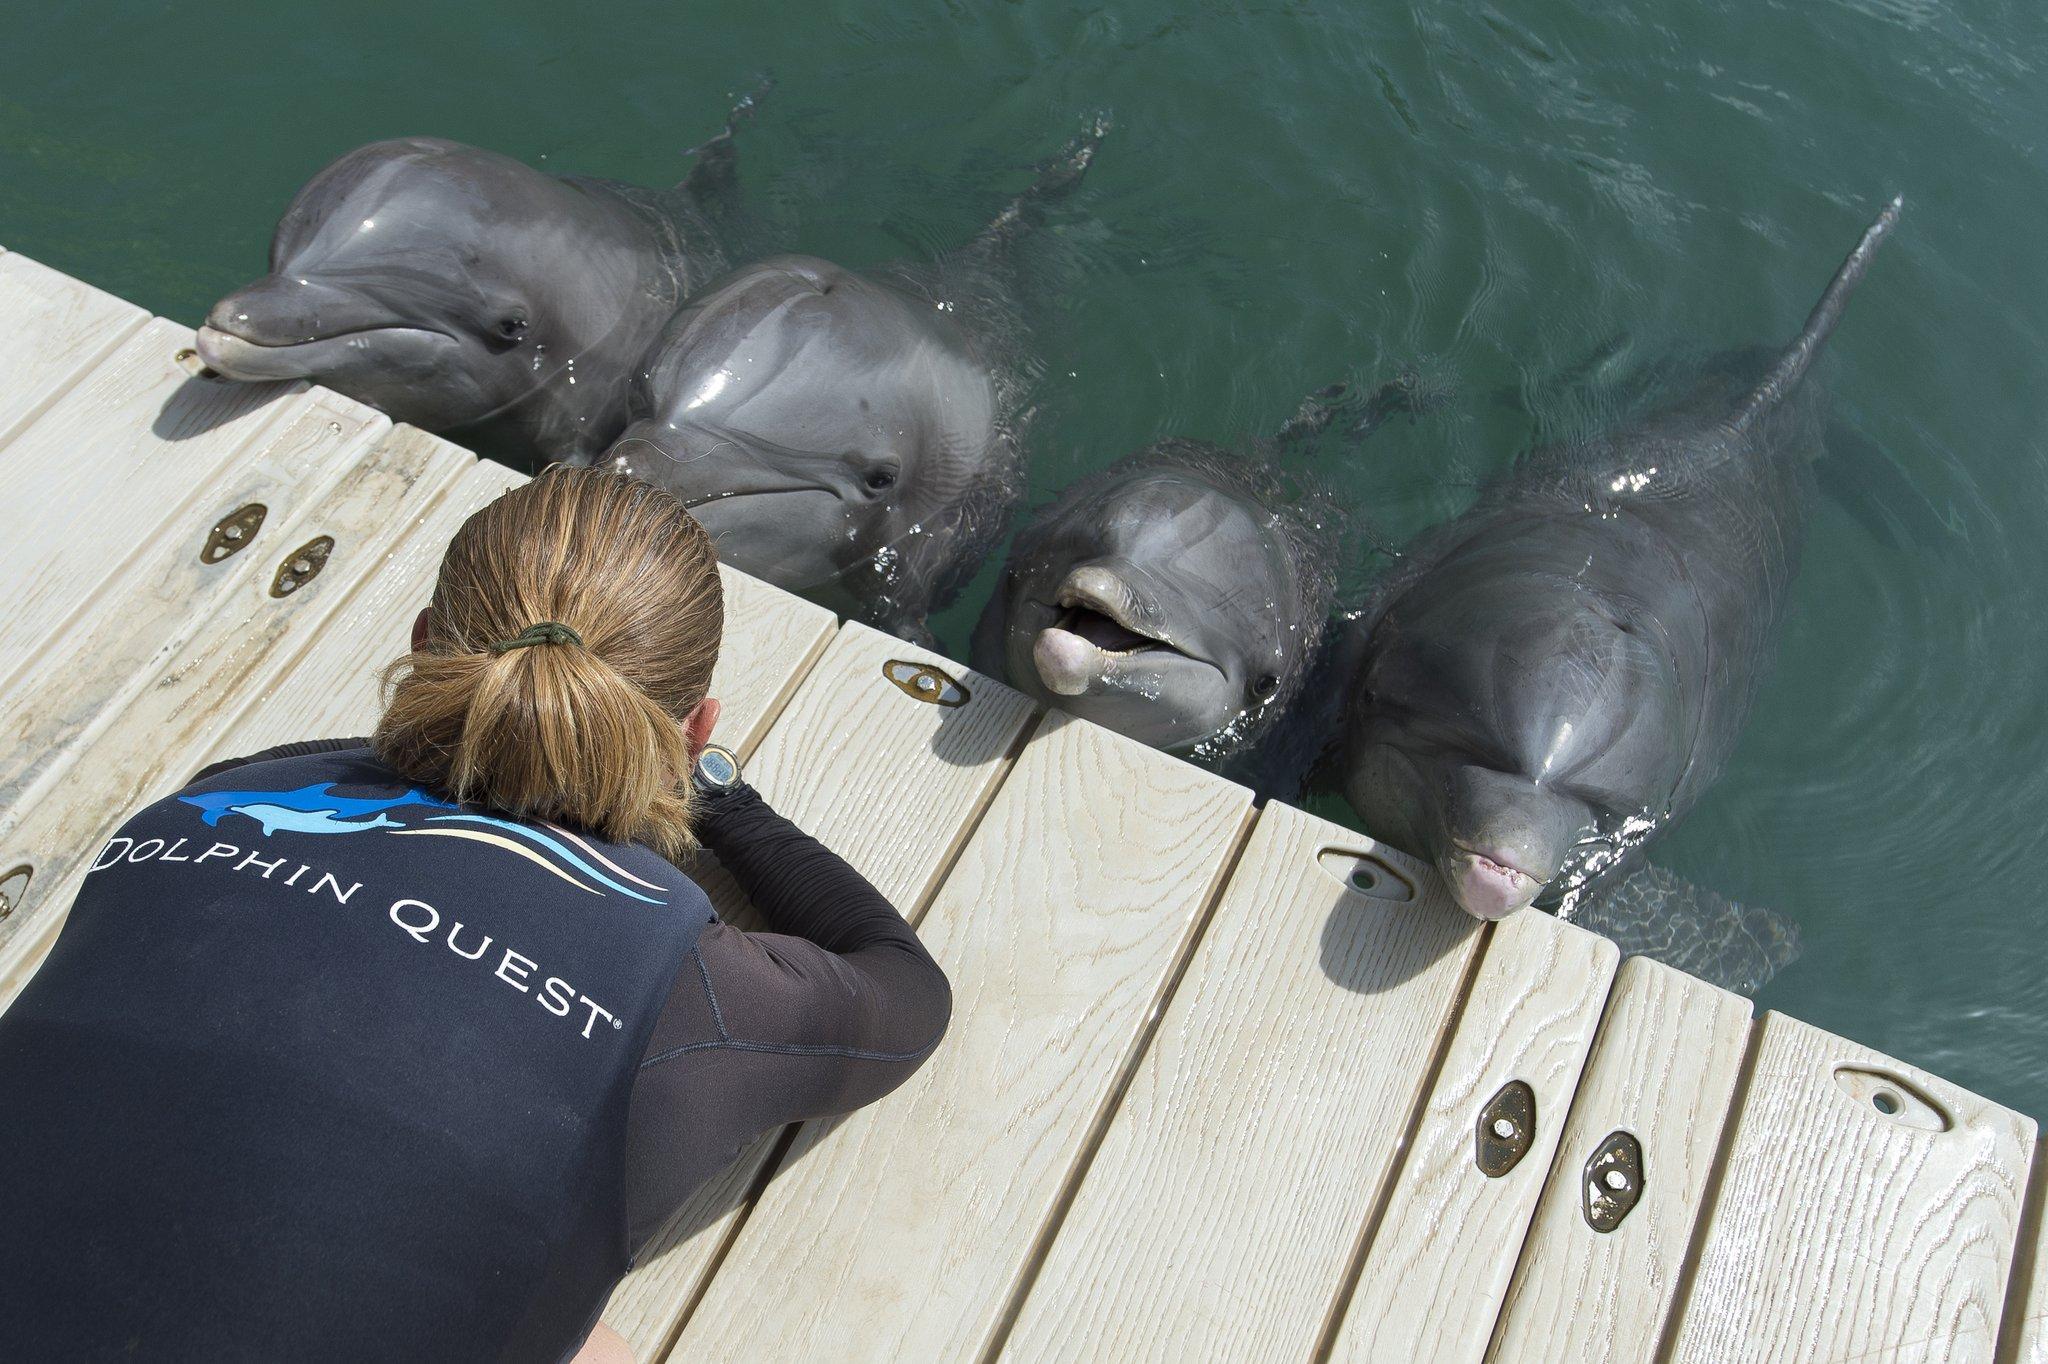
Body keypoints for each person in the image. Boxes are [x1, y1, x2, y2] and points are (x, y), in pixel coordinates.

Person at [0, 467, 952, 1363]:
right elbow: (903, 984)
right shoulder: (684, 990)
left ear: (423, 643)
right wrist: (722, 796)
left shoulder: (209, 802)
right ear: (694, 726)